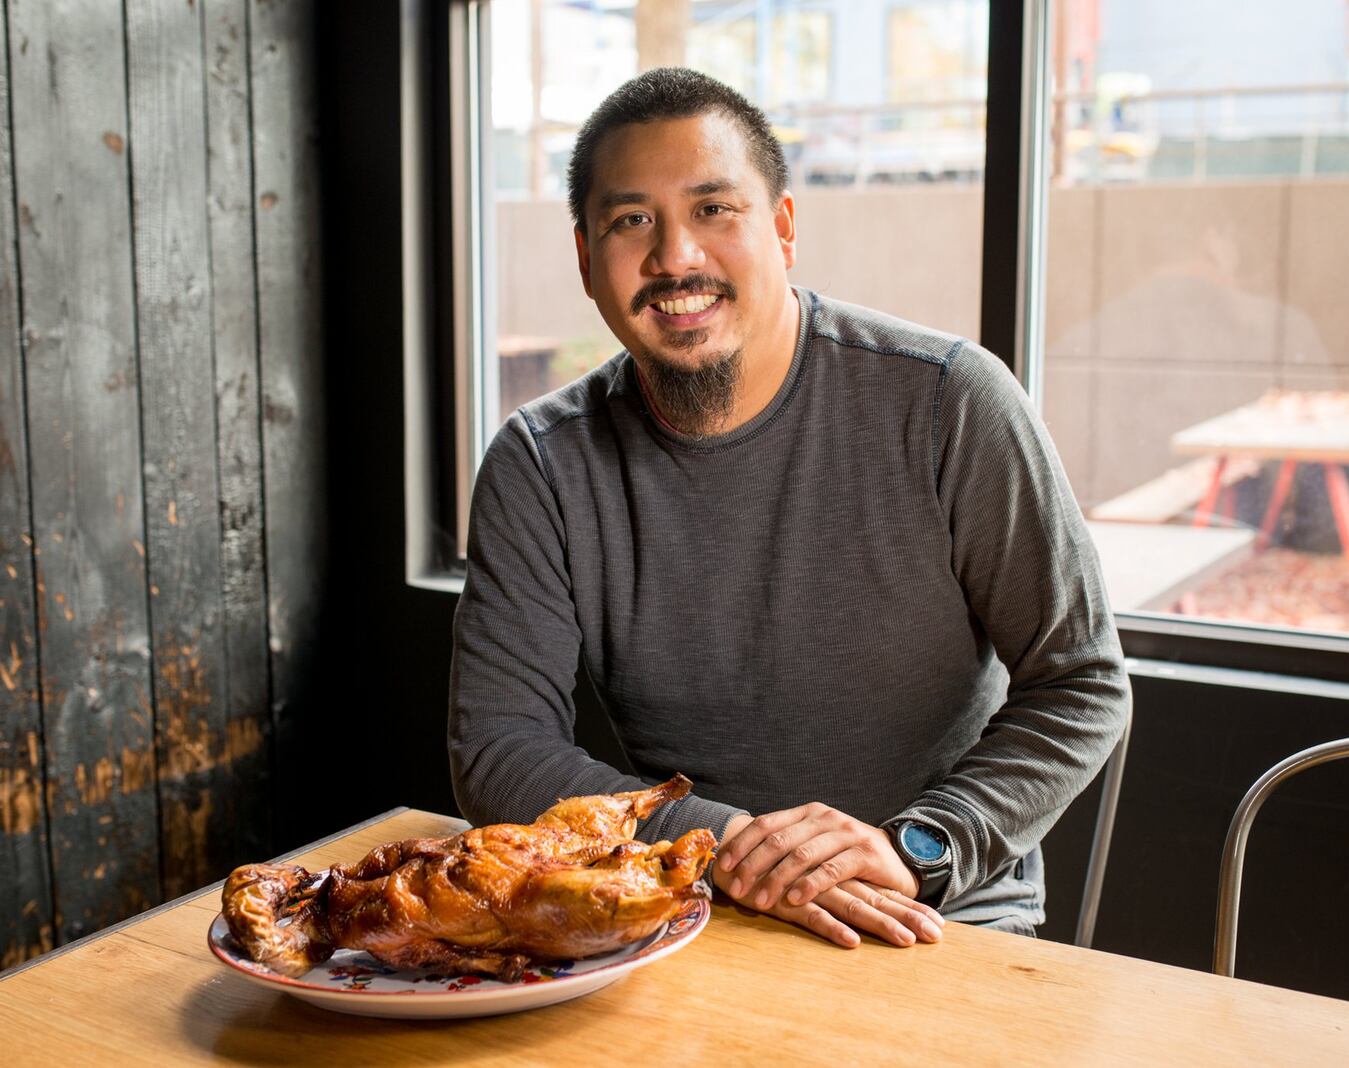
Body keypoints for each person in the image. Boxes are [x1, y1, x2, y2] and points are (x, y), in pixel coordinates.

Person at [448, 67, 1130, 948]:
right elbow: (500, 749)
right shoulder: (542, 464)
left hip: (930, 915)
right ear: (587, 261)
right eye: (631, 222)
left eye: (713, 210)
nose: (675, 257)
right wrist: (730, 848)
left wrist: (916, 847)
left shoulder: (951, 403)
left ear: (783, 227)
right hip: (682, 914)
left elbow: (1081, 679)